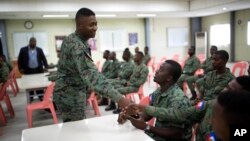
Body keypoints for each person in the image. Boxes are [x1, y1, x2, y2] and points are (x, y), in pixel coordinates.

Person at [53, 7, 130, 122]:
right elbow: (92, 76)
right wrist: (120, 99)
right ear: (80, 26)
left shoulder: (71, 39)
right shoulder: (77, 46)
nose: (95, 28)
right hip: (70, 95)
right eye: (91, 25)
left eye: (96, 24)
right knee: (76, 129)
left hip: (68, 91)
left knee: (73, 127)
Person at [123, 76, 250, 141]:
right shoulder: (211, 104)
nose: (224, 90)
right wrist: (141, 110)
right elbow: (180, 114)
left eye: (230, 90)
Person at [121, 60, 192, 141]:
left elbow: (177, 134)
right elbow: (148, 115)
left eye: (161, 70)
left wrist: (146, 127)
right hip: (158, 136)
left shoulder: (179, 99)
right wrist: (130, 115)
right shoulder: (159, 92)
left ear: (169, 78)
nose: (156, 71)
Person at [18, 37, 49, 102]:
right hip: (28, 70)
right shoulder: (23, 50)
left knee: (39, 84)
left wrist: (46, 67)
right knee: (29, 85)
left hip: (38, 70)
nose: (33, 43)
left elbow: (43, 59)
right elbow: (19, 60)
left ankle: (41, 96)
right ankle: (30, 98)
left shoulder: (39, 49)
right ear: (29, 42)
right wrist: (20, 68)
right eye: (32, 42)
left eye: (35, 42)